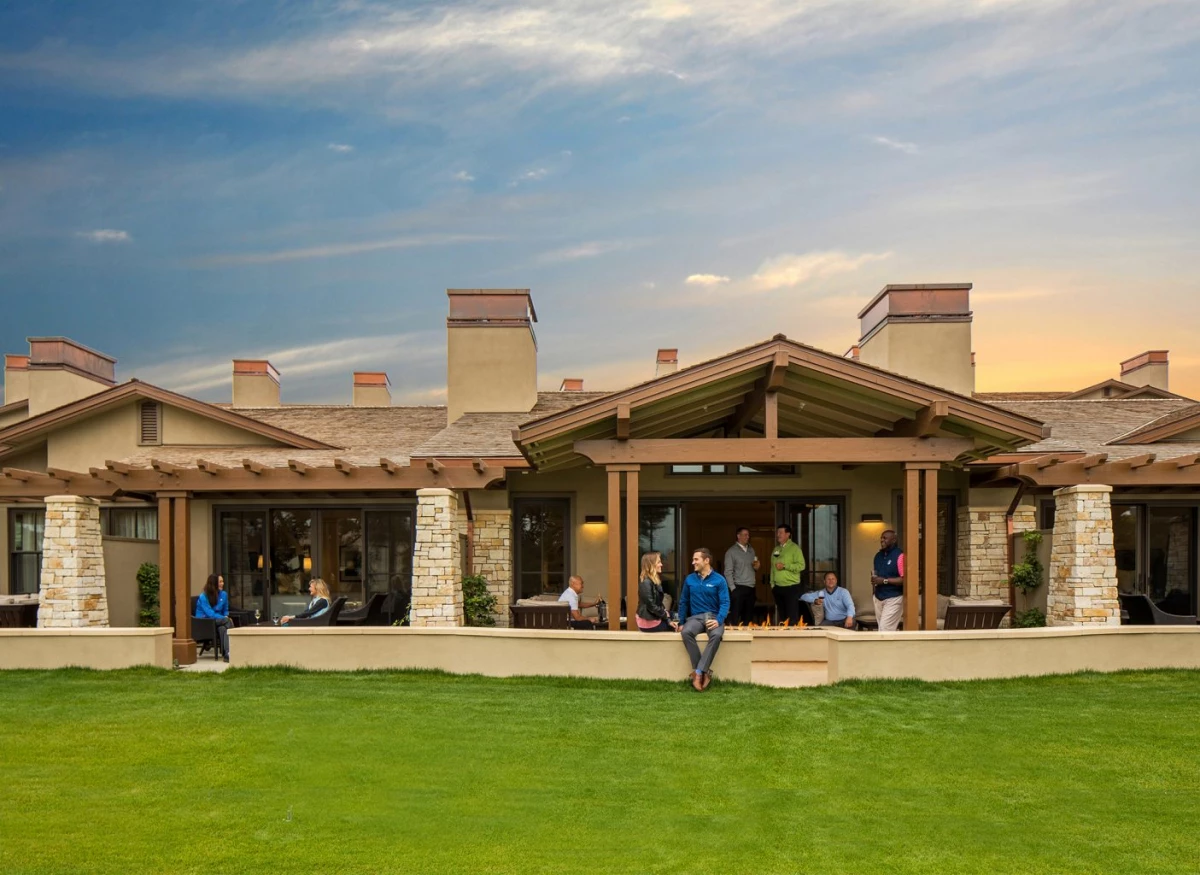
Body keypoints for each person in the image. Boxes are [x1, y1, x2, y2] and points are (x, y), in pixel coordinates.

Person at [677, 547, 729, 692]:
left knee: (716, 635)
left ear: (706, 560)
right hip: (695, 617)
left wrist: (719, 620)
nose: (693, 562)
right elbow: (683, 602)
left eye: (696, 559)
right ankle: (703, 671)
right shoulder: (690, 579)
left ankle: (698, 672)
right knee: (686, 632)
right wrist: (681, 622)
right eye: (693, 559)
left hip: (713, 616)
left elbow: (725, 602)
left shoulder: (719, 580)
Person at [769, 524, 806, 626]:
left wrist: (785, 566)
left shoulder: (795, 548)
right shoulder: (776, 549)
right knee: (782, 616)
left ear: (788, 534)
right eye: (777, 532)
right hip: (778, 588)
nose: (778, 535)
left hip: (791, 587)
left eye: (780, 532)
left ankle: (792, 635)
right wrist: (772, 584)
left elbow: (801, 566)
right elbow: (772, 567)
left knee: (792, 617)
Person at [723, 527, 759, 625]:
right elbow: (728, 572)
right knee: (735, 617)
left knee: (748, 618)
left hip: (751, 588)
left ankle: (747, 634)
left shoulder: (751, 550)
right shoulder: (731, 552)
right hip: (738, 587)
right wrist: (733, 589)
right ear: (738, 536)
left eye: (748, 535)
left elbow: (754, 568)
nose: (748, 537)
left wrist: (757, 567)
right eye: (745, 535)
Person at [871, 530, 905, 633]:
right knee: (882, 629)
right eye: (881, 538)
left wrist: (885, 581)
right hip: (878, 597)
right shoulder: (878, 556)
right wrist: (874, 592)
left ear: (893, 540)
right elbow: (875, 575)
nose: (882, 540)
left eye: (885, 538)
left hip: (894, 598)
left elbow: (904, 580)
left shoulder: (900, 556)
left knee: (885, 629)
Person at [636, 552, 679, 633]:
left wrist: (667, 617)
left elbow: (658, 604)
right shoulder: (646, 582)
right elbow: (651, 606)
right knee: (679, 626)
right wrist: (667, 617)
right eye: (659, 562)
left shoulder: (654, 581)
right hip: (648, 623)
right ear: (651, 564)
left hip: (654, 617)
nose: (661, 564)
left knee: (680, 616)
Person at [194, 573, 231, 661]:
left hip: (217, 621)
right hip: (205, 622)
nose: (223, 583)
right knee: (227, 621)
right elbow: (210, 614)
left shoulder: (224, 594)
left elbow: (225, 610)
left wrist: (225, 616)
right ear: (214, 583)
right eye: (220, 582)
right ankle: (230, 651)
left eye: (223, 581)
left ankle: (227, 654)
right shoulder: (203, 597)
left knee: (223, 628)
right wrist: (225, 618)